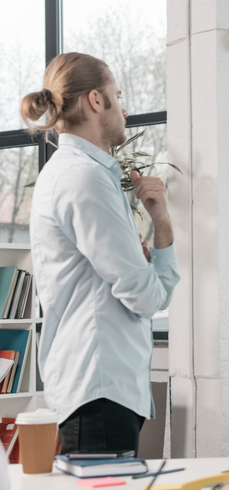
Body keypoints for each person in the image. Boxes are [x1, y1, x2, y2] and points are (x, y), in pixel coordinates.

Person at [20, 53, 180, 454]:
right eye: (117, 95)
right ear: (95, 100)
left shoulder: (73, 173)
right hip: (100, 393)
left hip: (97, 390)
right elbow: (145, 297)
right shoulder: (85, 178)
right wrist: (162, 225)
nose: (124, 109)